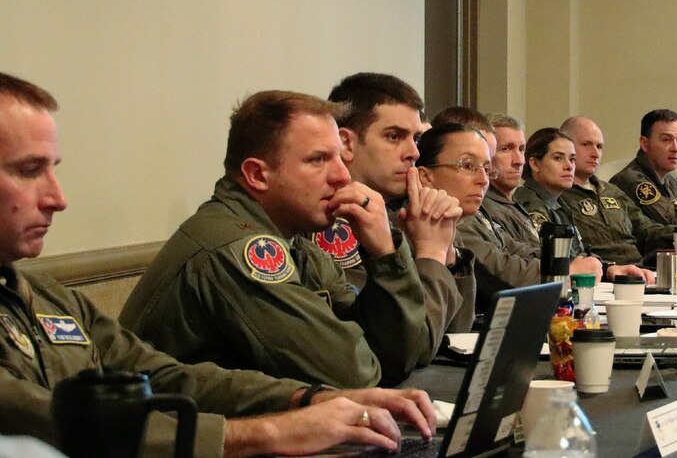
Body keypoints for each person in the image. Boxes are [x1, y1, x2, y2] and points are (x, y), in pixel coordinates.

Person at [0, 72, 435, 456]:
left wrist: (305, 400)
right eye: (29, 169)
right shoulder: (235, 246)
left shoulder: (45, 296)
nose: (58, 198)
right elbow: (52, 424)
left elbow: (166, 376)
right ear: (258, 174)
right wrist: (268, 430)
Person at [121, 90, 431, 389]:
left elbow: (398, 358)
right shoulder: (236, 250)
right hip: (187, 436)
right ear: (257, 175)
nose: (342, 176)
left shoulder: (298, 244)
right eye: (318, 159)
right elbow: (354, 374)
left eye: (340, 158)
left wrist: (385, 253)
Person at [319, 72, 475, 363]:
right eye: (394, 137)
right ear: (347, 144)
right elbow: (410, 347)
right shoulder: (331, 223)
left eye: (416, 138)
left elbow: (455, 335)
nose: (414, 152)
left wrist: (447, 253)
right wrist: (430, 253)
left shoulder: (395, 217)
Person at [516, 128, 652, 283]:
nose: (569, 166)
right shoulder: (530, 205)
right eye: (558, 158)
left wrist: (609, 269)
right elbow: (548, 264)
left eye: (572, 159)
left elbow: (578, 256)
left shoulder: (558, 203)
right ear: (534, 164)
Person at [559, 116, 673, 266]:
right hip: (601, 276)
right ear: (566, 147)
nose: (595, 153)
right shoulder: (559, 196)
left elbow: (647, 230)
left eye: (599, 147)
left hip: (639, 270)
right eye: (586, 144)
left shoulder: (612, 191)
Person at [484, 113, 541, 248]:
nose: (519, 161)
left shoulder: (511, 203)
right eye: (506, 149)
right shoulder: (483, 208)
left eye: (521, 149)